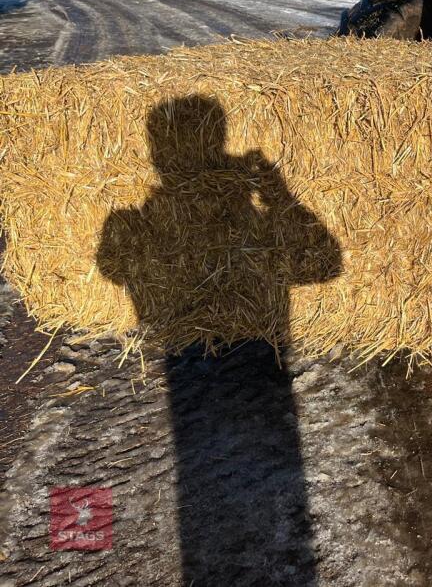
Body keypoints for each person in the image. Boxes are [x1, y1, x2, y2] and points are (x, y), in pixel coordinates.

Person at [97, 95, 341, 585]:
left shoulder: (143, 219)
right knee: (256, 482)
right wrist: (279, 194)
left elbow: (111, 266)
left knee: (210, 478)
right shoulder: (250, 214)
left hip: (193, 362)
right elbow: (326, 263)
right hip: (258, 362)